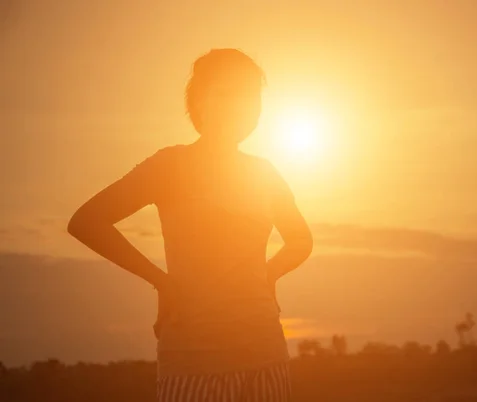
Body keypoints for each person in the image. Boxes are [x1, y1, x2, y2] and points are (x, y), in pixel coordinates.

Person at [67, 48, 314, 402]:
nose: (239, 105)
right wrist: (161, 283)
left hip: (265, 353)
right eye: (226, 93)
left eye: (249, 95)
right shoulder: (170, 166)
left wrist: (269, 274)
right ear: (198, 102)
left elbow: (300, 240)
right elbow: (87, 222)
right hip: (194, 357)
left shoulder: (264, 173)